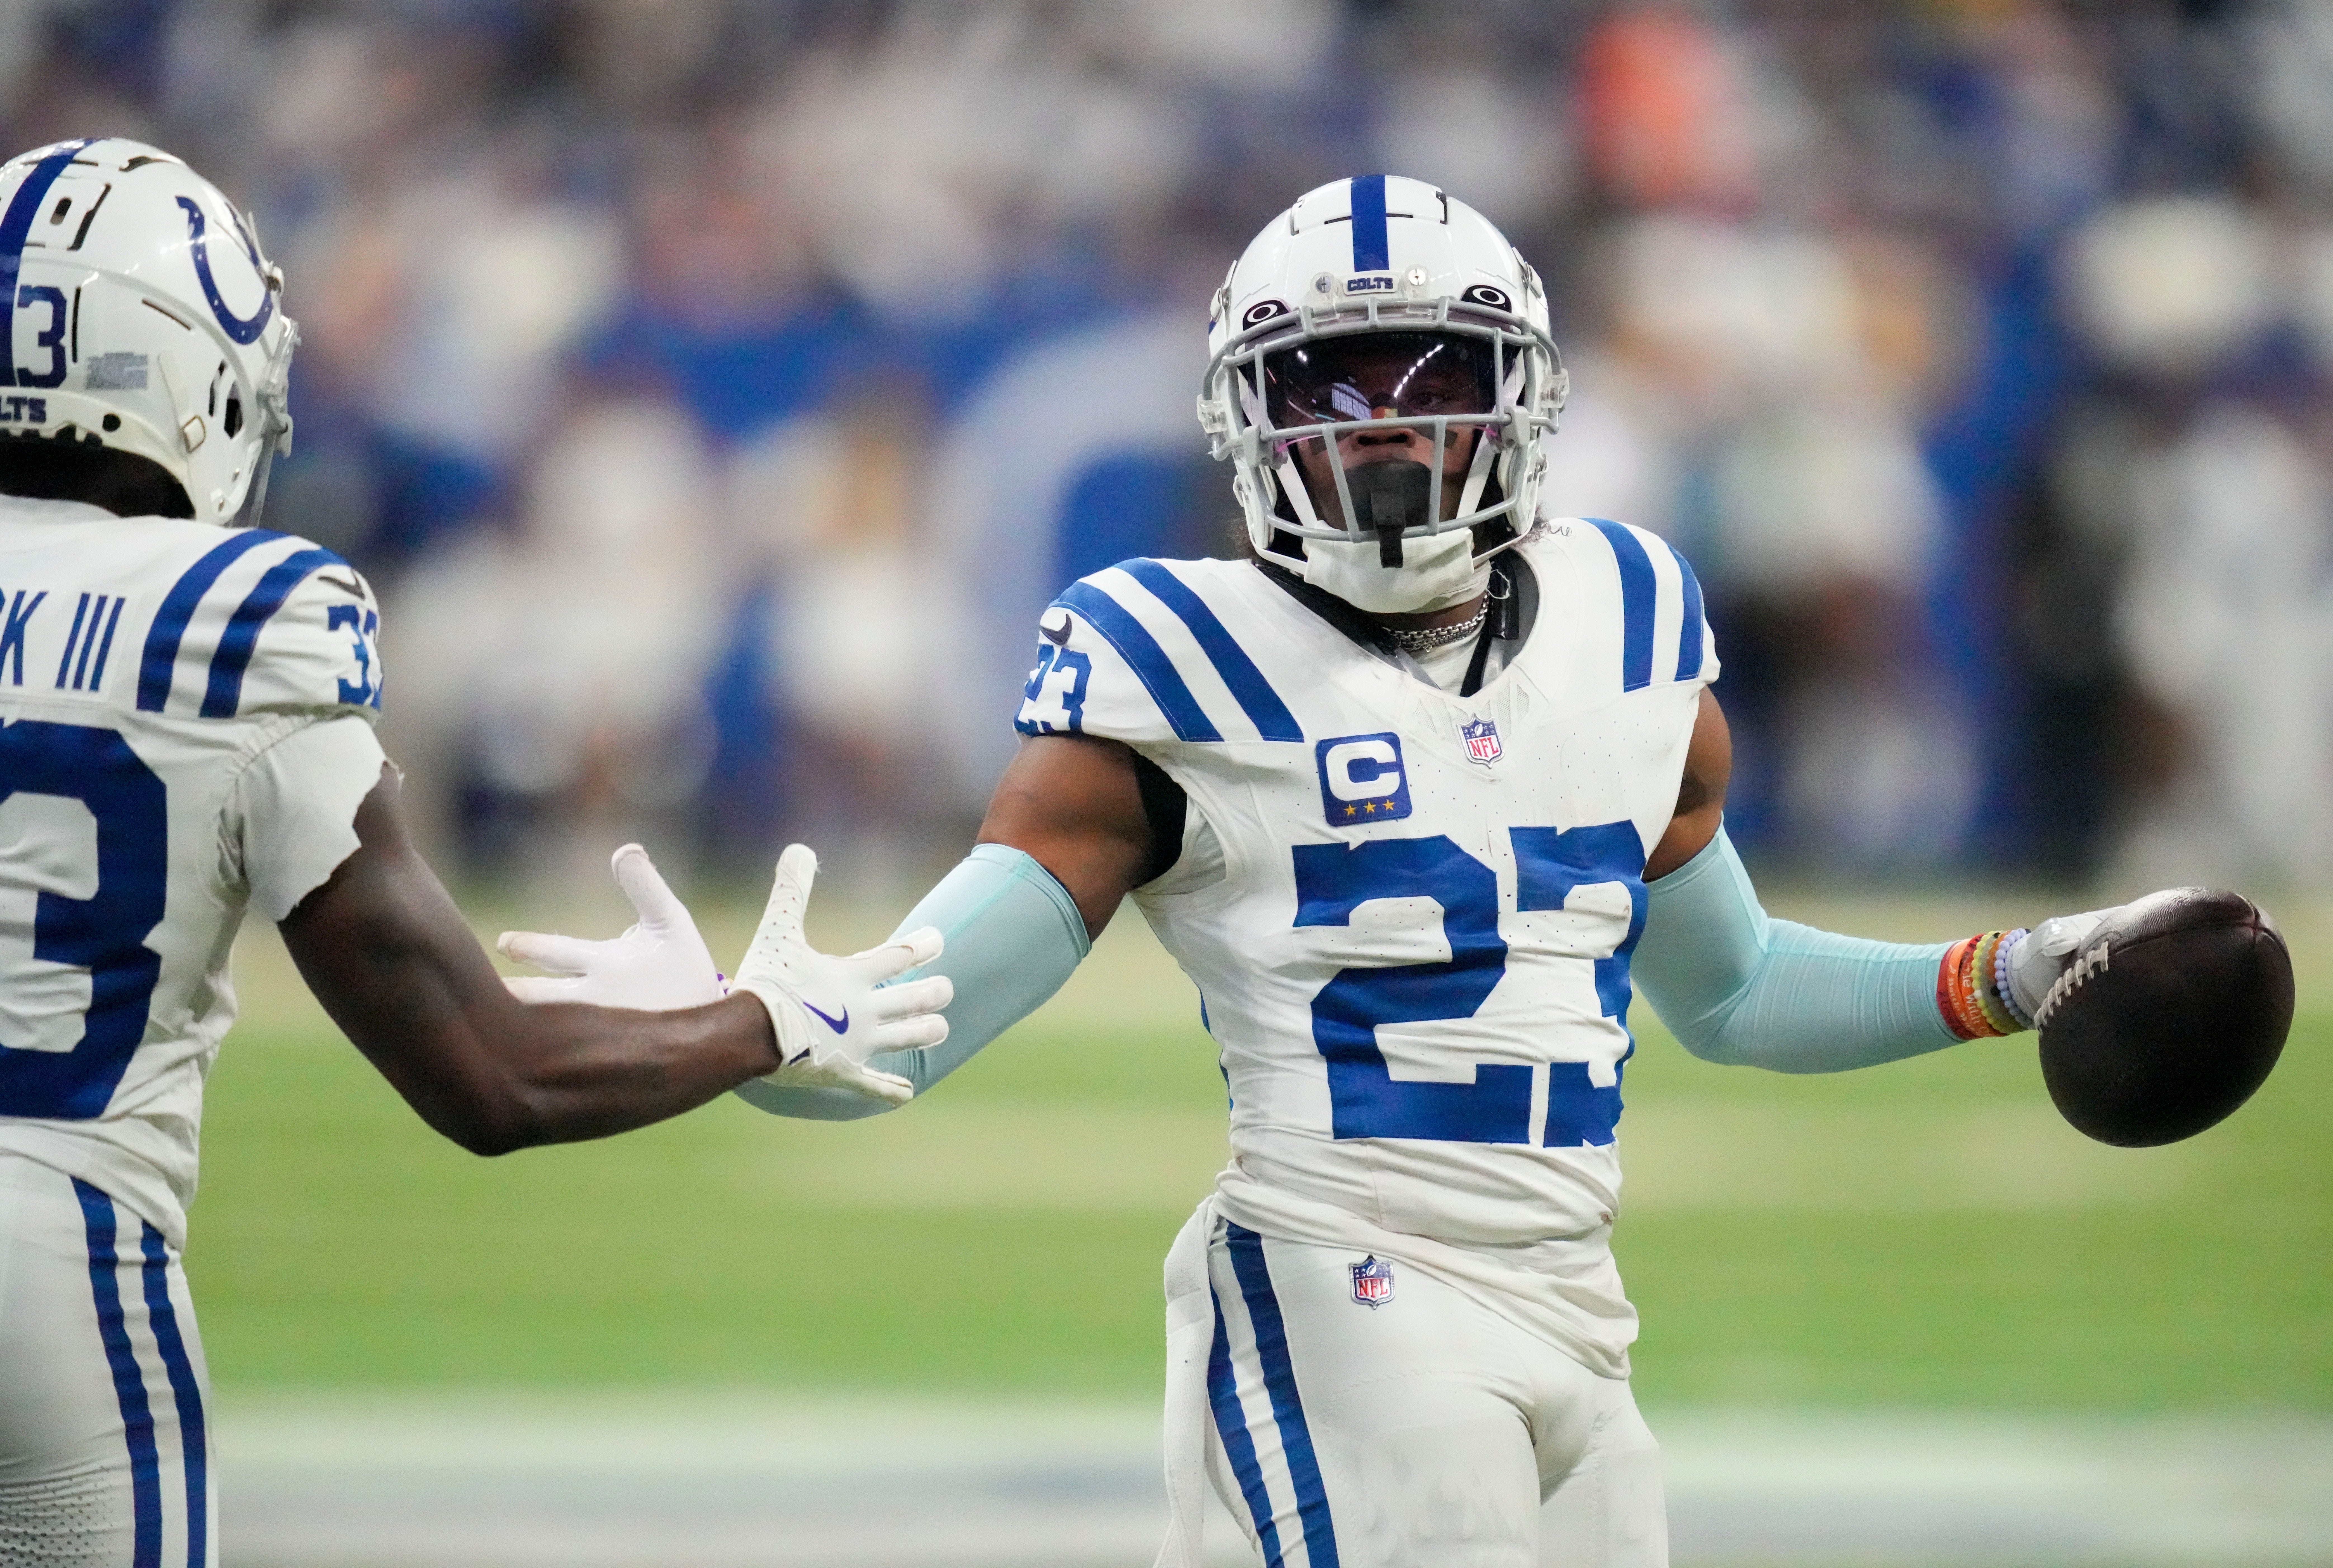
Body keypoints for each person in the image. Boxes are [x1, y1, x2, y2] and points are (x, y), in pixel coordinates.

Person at [517, 175, 2131, 1567]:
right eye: (1327, 390)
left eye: (1430, 385)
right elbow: (912, 1026)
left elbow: (1738, 985)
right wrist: (742, 1029)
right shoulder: (1176, 659)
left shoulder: (1629, 619)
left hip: (1581, 1301)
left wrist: (2017, 972)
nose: (1382, 437)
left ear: (1525, 399)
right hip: (1342, 1283)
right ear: (1243, 418)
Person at [0, 138, 951, 1568]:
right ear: (182, 373)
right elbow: (489, 1077)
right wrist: (758, 1023)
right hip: (47, 1255)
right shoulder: (237, 616)